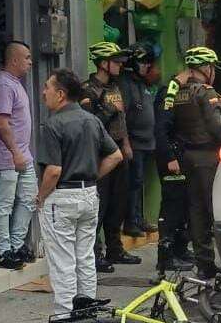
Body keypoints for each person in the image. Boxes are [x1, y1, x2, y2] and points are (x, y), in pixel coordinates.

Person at [36, 69, 122, 323]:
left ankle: (65, 318)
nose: (44, 92)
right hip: (88, 194)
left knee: (62, 260)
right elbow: (115, 155)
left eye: (48, 87)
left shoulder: (53, 124)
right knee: (85, 255)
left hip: (62, 195)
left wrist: (40, 197)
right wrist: (92, 176)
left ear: (61, 94)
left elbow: (53, 170)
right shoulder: (92, 120)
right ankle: (86, 312)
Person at [157, 47, 221, 277]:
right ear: (205, 68)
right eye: (212, 67)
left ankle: (204, 265)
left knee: (196, 211)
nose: (214, 72)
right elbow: (220, 130)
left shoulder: (177, 92)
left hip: (187, 157)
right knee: (215, 209)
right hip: (208, 157)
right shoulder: (206, 92)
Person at [80, 42, 140, 272]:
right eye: (115, 61)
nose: (120, 65)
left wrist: (126, 144)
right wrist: (107, 111)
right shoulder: (87, 90)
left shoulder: (115, 87)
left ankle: (115, 249)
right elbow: (90, 125)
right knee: (99, 204)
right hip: (99, 154)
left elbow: (121, 120)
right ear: (103, 63)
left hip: (117, 150)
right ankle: (94, 254)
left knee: (118, 203)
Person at [0, 41, 36, 270]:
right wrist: (15, 152)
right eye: (27, 57)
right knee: (4, 205)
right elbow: (2, 123)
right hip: (6, 157)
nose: (30, 62)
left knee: (29, 199)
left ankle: (16, 245)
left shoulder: (15, 83)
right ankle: (2, 251)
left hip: (22, 156)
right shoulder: (3, 85)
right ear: (14, 60)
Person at [154, 71, 193, 275]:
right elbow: (161, 129)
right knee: (172, 206)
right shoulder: (168, 93)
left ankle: (180, 250)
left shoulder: (182, 92)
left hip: (181, 156)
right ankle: (166, 257)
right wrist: (169, 156)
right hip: (171, 158)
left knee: (183, 205)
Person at [119, 42, 157, 237]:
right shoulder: (125, 84)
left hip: (146, 143)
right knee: (133, 182)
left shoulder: (142, 83)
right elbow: (122, 116)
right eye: (144, 63)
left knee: (139, 182)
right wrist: (126, 143)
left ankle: (138, 218)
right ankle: (131, 221)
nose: (148, 66)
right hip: (134, 143)